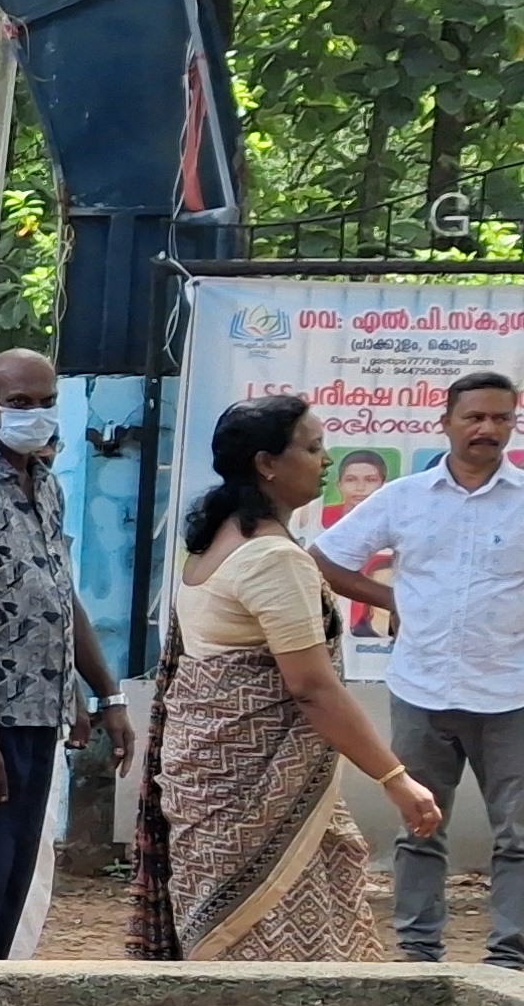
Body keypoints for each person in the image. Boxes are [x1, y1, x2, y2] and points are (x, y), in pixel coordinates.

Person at [137, 394, 440, 959]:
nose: (327, 460)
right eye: (313, 447)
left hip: (215, 779)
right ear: (267, 464)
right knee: (269, 954)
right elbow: (313, 688)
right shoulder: (272, 558)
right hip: (250, 791)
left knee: (247, 946)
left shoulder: (216, 543)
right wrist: (395, 777)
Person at [0, 348, 131, 961]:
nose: (36, 414)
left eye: (46, 402)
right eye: (19, 403)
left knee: (11, 886)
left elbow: (60, 597)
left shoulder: (46, 487)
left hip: (40, 719)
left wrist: (105, 694)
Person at [314, 370, 524, 965]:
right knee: (420, 826)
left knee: (518, 835)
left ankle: (510, 959)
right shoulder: (404, 498)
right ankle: (418, 955)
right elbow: (324, 559)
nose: (487, 428)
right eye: (474, 417)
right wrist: (391, 599)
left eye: (500, 418)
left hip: (511, 690)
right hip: (422, 688)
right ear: (446, 422)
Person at [317, 448, 395, 651]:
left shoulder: (392, 520)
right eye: (351, 480)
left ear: (383, 484)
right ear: (339, 485)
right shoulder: (321, 519)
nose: (360, 488)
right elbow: (320, 561)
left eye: (370, 480)